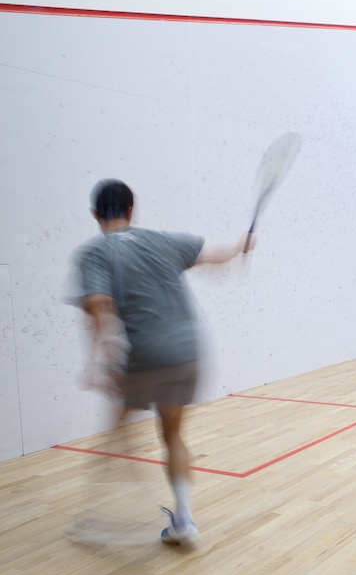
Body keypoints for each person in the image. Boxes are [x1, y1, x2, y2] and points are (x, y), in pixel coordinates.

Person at [74, 179, 253, 547]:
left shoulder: (95, 253)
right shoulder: (162, 241)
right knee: (172, 435)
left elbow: (98, 304)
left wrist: (102, 362)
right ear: (130, 210)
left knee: (117, 429)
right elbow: (215, 256)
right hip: (189, 351)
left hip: (147, 354)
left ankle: (91, 519)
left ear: (94, 214)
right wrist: (240, 246)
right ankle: (184, 519)